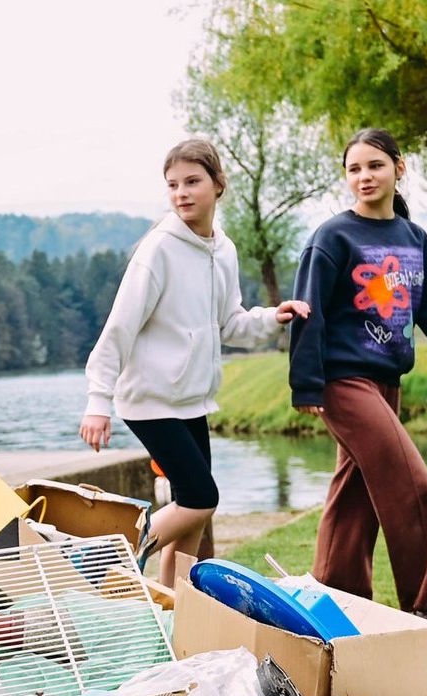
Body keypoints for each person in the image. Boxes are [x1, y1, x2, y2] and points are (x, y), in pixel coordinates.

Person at [79, 138, 308, 587]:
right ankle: (112, 555)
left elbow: (230, 324)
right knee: (201, 499)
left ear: (218, 185)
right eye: (172, 185)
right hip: (149, 399)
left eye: (192, 182)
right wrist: (97, 399)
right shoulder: (159, 249)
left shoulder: (223, 250)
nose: (181, 192)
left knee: (193, 516)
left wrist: (272, 318)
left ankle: (174, 608)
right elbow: (120, 327)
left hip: (190, 400)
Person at [288, 128, 427, 627]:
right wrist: (307, 383)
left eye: (375, 165)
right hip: (343, 381)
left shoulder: (415, 240)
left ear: (399, 168)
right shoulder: (332, 238)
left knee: (354, 493)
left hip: (387, 381)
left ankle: (336, 595)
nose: (364, 177)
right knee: (414, 487)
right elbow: (306, 310)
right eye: (354, 168)